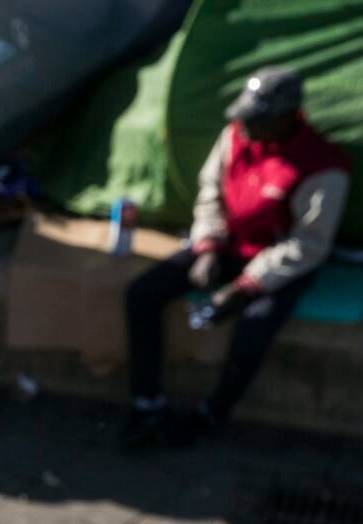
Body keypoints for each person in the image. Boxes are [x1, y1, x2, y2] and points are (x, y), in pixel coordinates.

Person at [121, 66, 350, 449]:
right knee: (141, 293)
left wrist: (244, 288)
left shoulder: (323, 167)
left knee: (253, 329)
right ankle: (147, 402)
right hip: (227, 246)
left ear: (283, 119)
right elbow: (210, 193)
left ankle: (213, 412)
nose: (243, 126)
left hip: (276, 264)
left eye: (254, 119)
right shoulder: (235, 138)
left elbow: (308, 244)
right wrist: (207, 248)